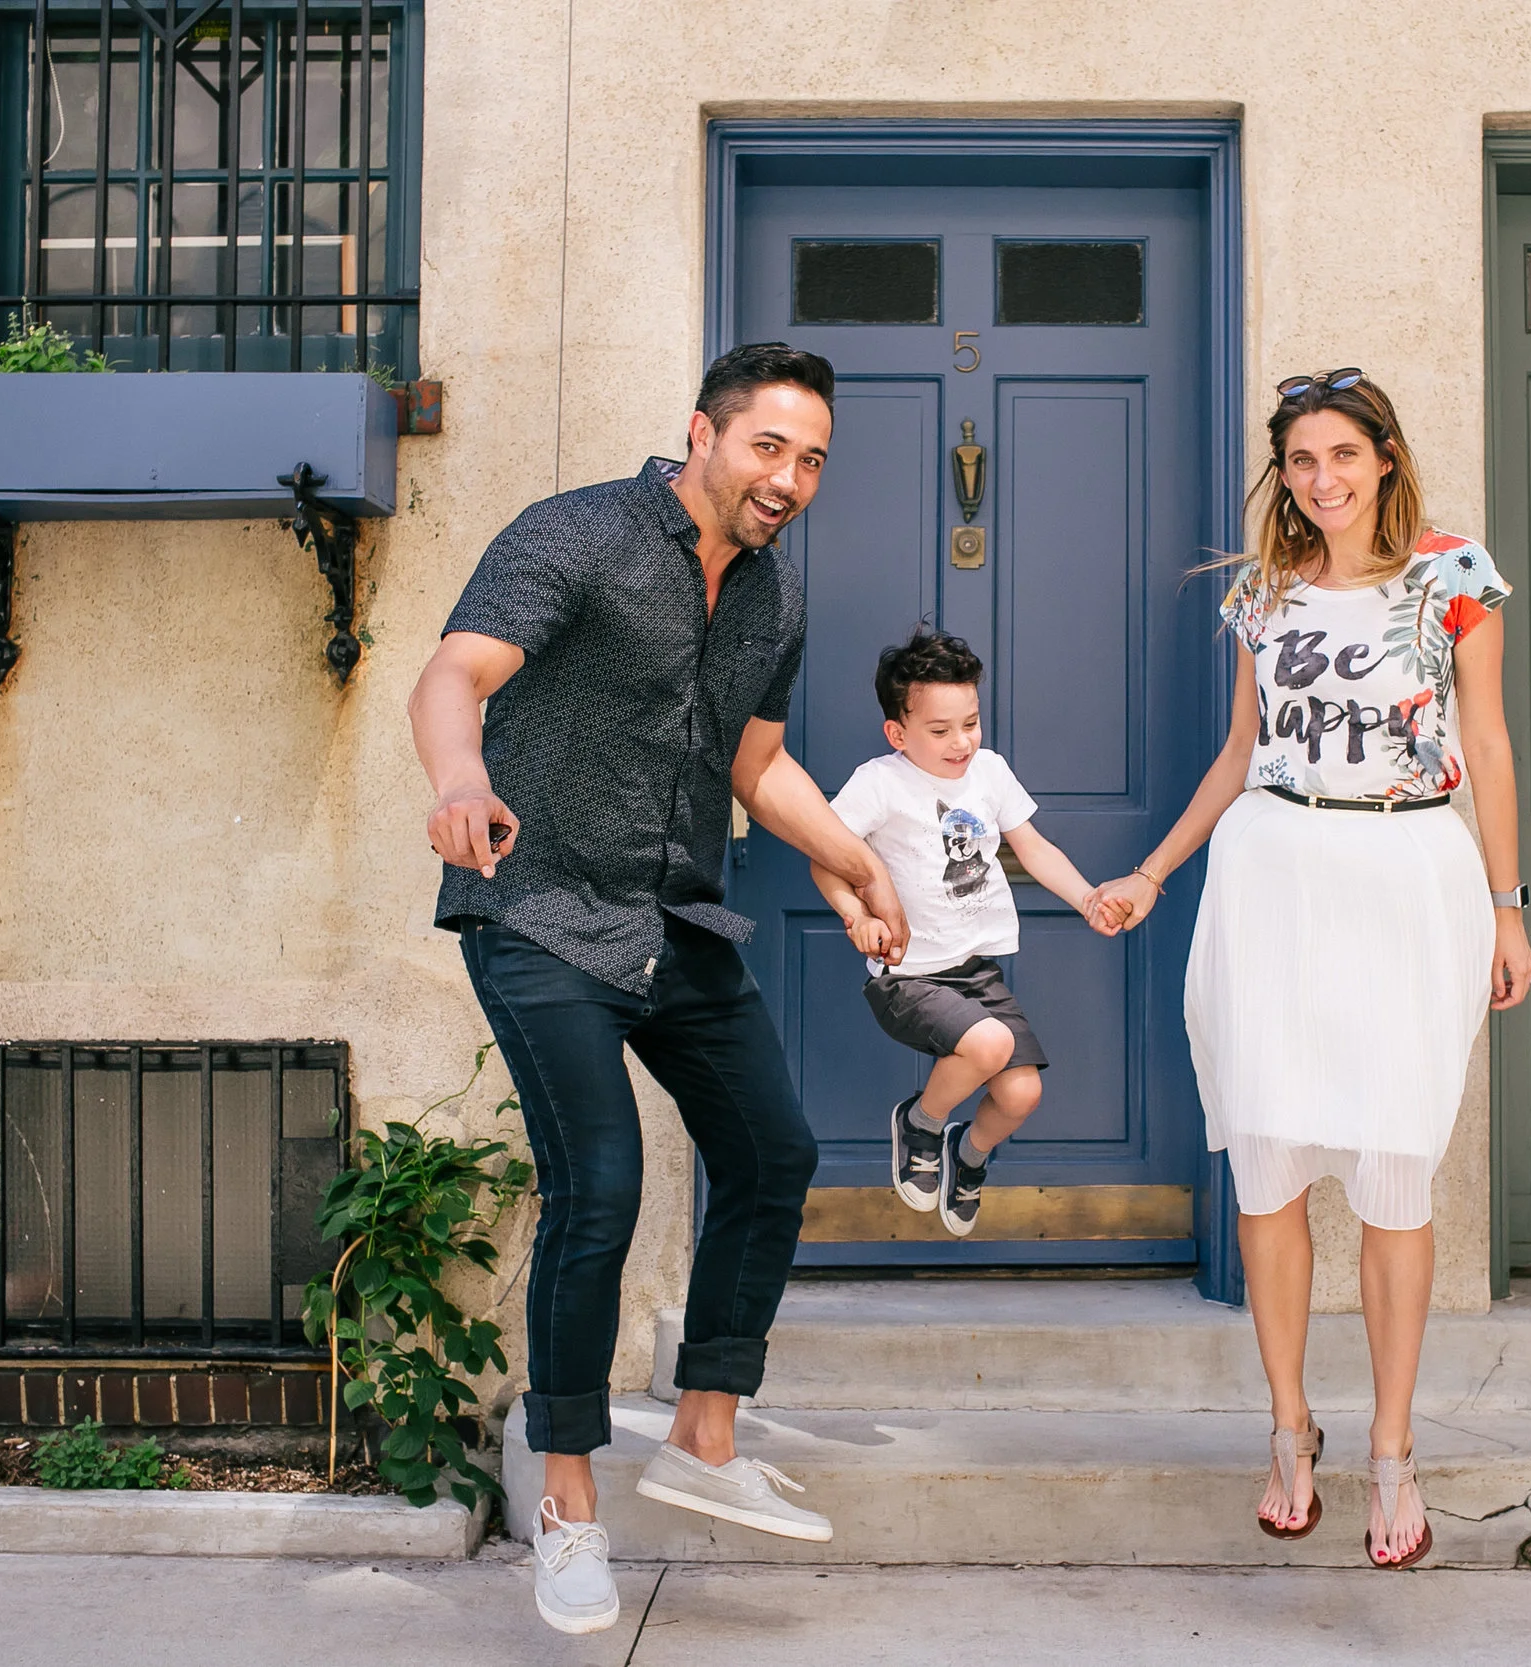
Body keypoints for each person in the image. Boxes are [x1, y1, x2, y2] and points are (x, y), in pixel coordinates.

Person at [408, 342, 911, 1636]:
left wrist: (856, 862)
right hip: (540, 906)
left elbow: (757, 765)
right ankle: (568, 1503)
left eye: (812, 460)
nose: (788, 478)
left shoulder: (773, 596)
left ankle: (703, 1431)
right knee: (602, 1182)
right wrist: (460, 779)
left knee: (772, 1150)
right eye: (768, 446)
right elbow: (453, 672)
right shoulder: (577, 534)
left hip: (674, 918)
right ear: (703, 432)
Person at [1090, 369, 1531, 1570]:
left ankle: (1393, 1446)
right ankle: (1289, 1426)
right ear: (1281, 474)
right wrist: (1153, 870)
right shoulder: (1263, 590)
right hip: (1271, 877)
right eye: (1300, 459)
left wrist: (1508, 908)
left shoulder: (1453, 574)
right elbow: (1240, 751)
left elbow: (1487, 742)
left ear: (1385, 457)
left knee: (1395, 1169)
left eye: (1343, 453)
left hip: (1408, 874)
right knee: (1269, 1166)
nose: (1322, 478)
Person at [812, 628, 1119, 1236]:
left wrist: (1087, 897)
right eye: (940, 730)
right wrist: (858, 915)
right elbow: (826, 859)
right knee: (989, 1046)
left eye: (971, 724)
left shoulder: (990, 772)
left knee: (1021, 1094)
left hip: (975, 973)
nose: (961, 742)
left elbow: (1033, 847)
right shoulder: (879, 782)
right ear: (898, 733)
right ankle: (921, 1123)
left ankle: (968, 1154)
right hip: (907, 975)